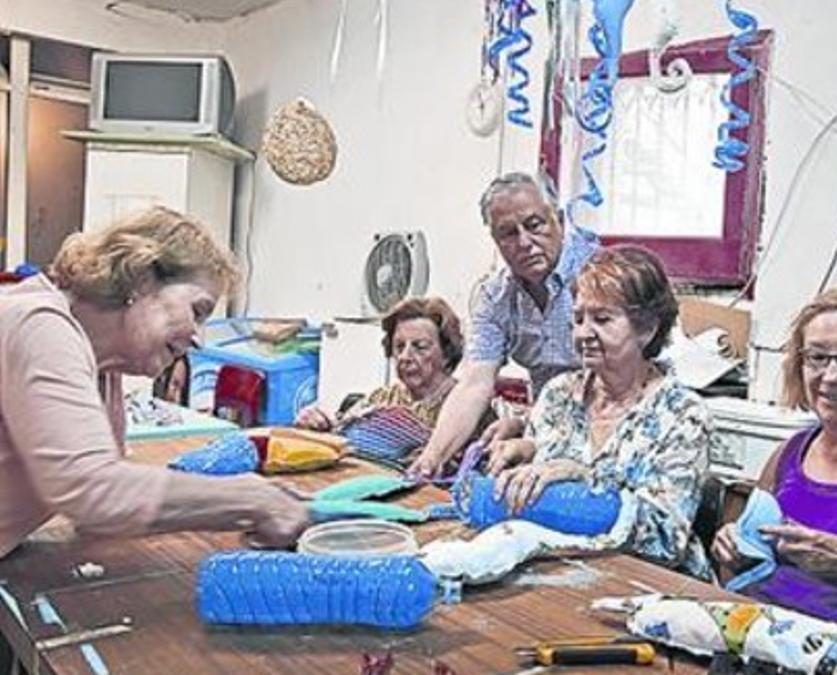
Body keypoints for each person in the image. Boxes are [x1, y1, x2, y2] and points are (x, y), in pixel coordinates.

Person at [0, 206, 308, 560]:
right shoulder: (38, 323)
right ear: (142, 278)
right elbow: (93, 492)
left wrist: (262, 500)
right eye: (198, 311)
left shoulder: (103, 368)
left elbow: (103, 509)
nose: (198, 339)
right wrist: (251, 499)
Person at [489, 245, 715, 579]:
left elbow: (665, 538)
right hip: (558, 572)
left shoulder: (683, 415)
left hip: (648, 584)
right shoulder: (557, 395)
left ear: (647, 328)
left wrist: (583, 477)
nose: (583, 333)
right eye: (578, 319)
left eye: (602, 319)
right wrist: (514, 465)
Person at [711, 287, 837, 627]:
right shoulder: (789, 453)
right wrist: (735, 551)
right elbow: (742, 577)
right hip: (760, 645)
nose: (831, 376)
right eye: (817, 358)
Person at [410, 172, 600, 477]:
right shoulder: (495, 297)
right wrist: (431, 458)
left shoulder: (601, 276)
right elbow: (474, 384)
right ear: (495, 241)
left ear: (560, 221)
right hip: (550, 428)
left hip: (612, 429)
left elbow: (625, 386)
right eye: (508, 233)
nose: (524, 242)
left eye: (534, 225)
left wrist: (533, 430)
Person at [295, 296, 480, 431]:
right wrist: (316, 424)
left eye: (420, 347)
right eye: (399, 347)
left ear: (447, 353)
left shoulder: (467, 404)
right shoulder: (383, 397)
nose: (405, 356)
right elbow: (341, 432)